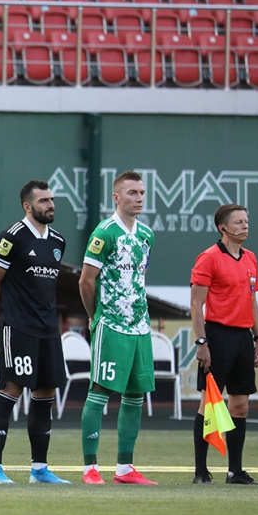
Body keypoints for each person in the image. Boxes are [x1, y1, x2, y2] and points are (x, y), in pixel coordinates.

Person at [0, 180, 70, 485]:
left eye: (52, 199)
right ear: (27, 206)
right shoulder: (12, 237)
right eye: (44, 200)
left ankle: (39, 470)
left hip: (48, 329)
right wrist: (7, 317)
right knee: (12, 390)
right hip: (18, 328)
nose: (51, 205)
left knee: (45, 394)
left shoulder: (58, 241)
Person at [77, 170, 157, 486]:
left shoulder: (147, 235)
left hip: (140, 326)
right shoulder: (104, 233)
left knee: (135, 393)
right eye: (132, 193)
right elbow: (86, 281)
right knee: (100, 390)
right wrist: (94, 315)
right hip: (111, 324)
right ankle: (90, 468)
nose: (139, 198)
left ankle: (125, 468)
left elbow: (138, 277)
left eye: (142, 193)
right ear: (116, 197)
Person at [190, 203, 258, 485]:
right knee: (209, 403)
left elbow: (252, 301)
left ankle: (235, 471)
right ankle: (201, 471)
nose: (245, 226)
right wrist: (202, 342)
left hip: (243, 338)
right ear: (223, 228)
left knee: (240, 405)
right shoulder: (208, 258)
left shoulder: (251, 258)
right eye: (238, 222)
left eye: (246, 221)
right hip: (217, 336)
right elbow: (196, 305)